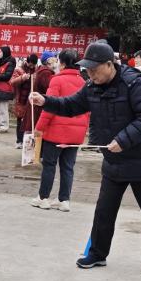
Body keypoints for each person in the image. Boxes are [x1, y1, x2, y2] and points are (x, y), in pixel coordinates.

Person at [30, 42, 141, 274]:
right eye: (88, 69)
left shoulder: (134, 84)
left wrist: (123, 139)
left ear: (109, 65)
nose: (91, 74)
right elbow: (71, 105)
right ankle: (97, 253)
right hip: (113, 161)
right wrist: (46, 101)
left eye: (95, 69)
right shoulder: (91, 87)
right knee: (104, 211)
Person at [32, 49, 90, 211]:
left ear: (62, 63)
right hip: (76, 133)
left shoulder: (57, 80)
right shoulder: (84, 82)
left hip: (56, 132)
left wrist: (39, 128)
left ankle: (43, 198)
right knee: (68, 167)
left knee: (49, 164)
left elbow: (49, 107)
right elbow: (88, 110)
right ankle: (64, 200)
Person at [11, 54, 41, 148]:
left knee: (31, 122)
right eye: (30, 64)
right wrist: (22, 78)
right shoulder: (19, 70)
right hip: (21, 100)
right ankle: (19, 141)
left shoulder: (37, 71)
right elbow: (12, 82)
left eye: (33, 65)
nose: (31, 67)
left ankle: (29, 142)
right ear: (27, 62)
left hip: (32, 101)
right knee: (20, 121)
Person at [0, 46, 16, 132]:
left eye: (1, 52)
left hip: (5, 89)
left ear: (5, 52)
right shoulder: (0, 62)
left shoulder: (10, 63)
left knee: (3, 110)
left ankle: (4, 126)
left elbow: (7, 76)